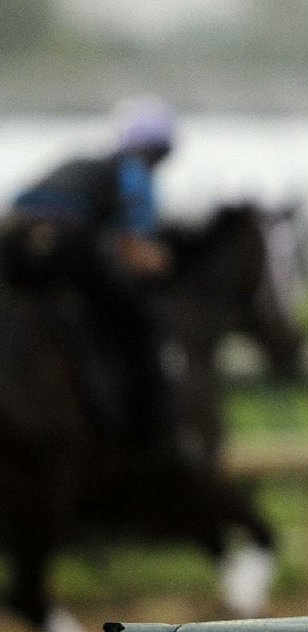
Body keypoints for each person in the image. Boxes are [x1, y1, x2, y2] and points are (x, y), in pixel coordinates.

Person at [0, 94, 177, 444]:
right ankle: (141, 430)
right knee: (135, 321)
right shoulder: (134, 174)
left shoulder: (80, 162)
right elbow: (135, 248)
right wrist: (165, 264)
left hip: (11, 239)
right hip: (67, 238)